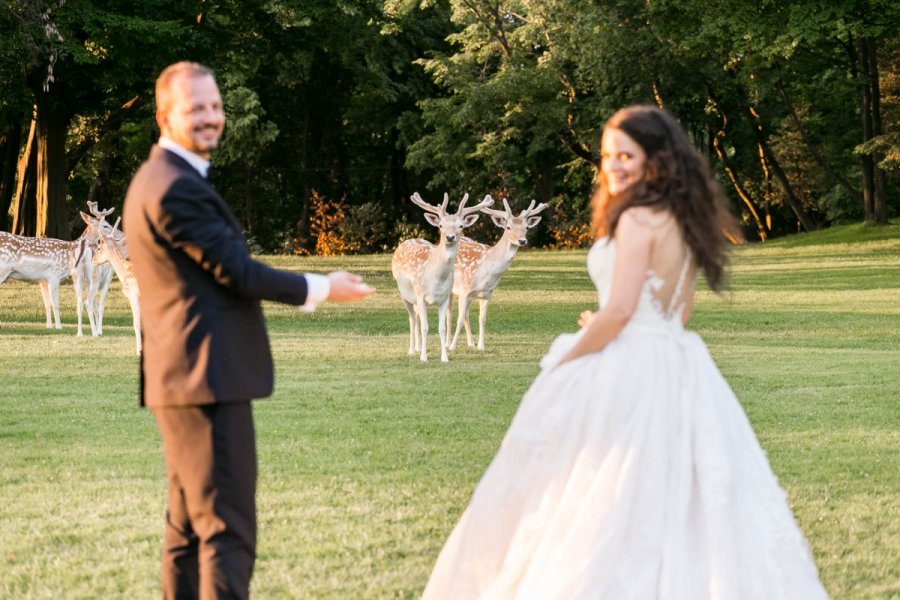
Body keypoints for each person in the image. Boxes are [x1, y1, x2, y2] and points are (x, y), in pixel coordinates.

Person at [421, 105, 828, 599]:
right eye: (608, 155)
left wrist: (566, 359)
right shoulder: (682, 218)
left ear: (656, 159)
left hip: (631, 363)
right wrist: (627, 320)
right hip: (681, 364)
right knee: (675, 486)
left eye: (626, 155)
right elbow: (676, 313)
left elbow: (619, 312)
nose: (613, 165)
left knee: (606, 485)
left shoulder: (636, 218)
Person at [122, 61, 373, 599]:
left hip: (185, 379)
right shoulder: (173, 188)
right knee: (227, 532)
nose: (212, 117)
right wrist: (321, 287)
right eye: (197, 109)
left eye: (216, 106)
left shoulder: (163, 178)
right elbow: (236, 272)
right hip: (206, 381)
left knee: (188, 529)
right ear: (165, 115)